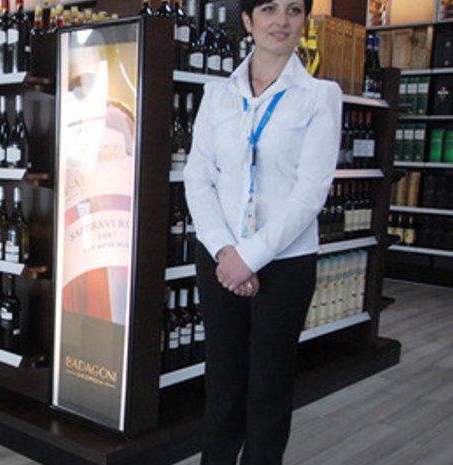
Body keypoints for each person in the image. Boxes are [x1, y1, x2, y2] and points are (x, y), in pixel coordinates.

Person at [182, 0, 340, 463]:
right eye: (269, 9)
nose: (281, 21)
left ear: (304, 21)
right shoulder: (217, 95)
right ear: (249, 20)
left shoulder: (319, 96)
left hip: (285, 262)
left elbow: (310, 192)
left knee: (269, 388)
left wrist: (250, 258)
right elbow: (197, 176)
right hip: (219, 255)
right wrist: (225, 251)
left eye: (294, 10)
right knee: (222, 382)